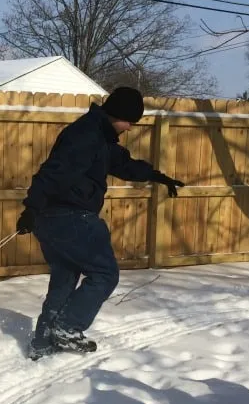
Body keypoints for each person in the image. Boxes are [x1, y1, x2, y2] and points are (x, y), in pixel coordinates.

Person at [16, 86, 184, 360]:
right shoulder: (86, 136)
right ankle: (67, 327)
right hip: (70, 217)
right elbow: (53, 173)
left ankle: (42, 343)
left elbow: (123, 164)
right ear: (117, 114)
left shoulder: (99, 136)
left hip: (53, 219)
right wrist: (31, 208)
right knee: (105, 274)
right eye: (129, 121)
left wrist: (156, 176)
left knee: (65, 277)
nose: (130, 128)